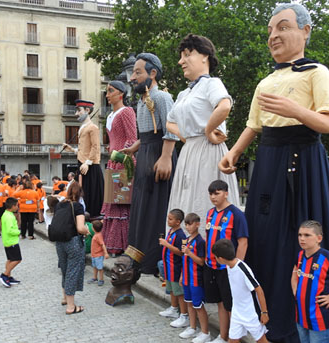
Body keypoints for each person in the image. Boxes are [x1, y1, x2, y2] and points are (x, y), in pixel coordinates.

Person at [218, 3, 329, 343]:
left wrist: (296, 109)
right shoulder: (266, 80)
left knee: (297, 230)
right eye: (269, 31)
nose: (273, 36)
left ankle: (300, 317)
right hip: (267, 161)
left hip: (303, 161)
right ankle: (262, 314)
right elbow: (254, 125)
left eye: (282, 27)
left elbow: (327, 122)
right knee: (265, 232)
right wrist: (234, 152)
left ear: (306, 31)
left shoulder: (317, 72)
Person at [166, 34, 240, 236]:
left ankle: (207, 251)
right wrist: (187, 138)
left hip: (208, 151)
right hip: (190, 151)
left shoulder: (211, 83)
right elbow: (169, 122)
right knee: (185, 198)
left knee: (202, 198)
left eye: (187, 55)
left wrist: (207, 131)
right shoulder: (184, 94)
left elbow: (224, 105)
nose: (181, 61)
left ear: (205, 56)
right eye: (181, 56)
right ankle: (183, 252)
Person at [122, 53, 179, 274]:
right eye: (133, 72)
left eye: (138, 72)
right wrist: (135, 147)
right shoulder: (142, 100)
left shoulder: (163, 98)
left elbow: (171, 130)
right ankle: (139, 257)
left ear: (152, 73)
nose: (133, 77)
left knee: (156, 206)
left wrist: (165, 157)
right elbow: (146, 133)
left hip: (158, 155)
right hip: (145, 153)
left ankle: (155, 260)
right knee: (142, 205)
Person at [203, 180, 248, 343]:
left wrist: (237, 267)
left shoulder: (236, 214)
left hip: (228, 269)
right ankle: (223, 337)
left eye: (217, 193)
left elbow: (243, 242)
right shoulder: (210, 213)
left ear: (226, 193)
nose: (213, 197)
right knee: (221, 304)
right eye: (211, 193)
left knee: (232, 307)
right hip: (211, 266)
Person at [212, 239, 274, 343]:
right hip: (236, 312)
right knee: (232, 340)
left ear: (220, 258)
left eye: (215, 257)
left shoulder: (242, 269)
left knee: (262, 341)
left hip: (249, 314)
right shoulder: (228, 267)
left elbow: (259, 289)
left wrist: (264, 312)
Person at [101, 80, 138, 255]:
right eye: (107, 91)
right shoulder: (110, 115)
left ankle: (124, 245)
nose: (107, 94)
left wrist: (124, 159)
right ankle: (114, 244)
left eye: (111, 91)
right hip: (113, 162)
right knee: (113, 203)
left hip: (124, 161)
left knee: (122, 204)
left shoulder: (127, 112)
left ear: (121, 94)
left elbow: (132, 138)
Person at [63, 99, 104, 218]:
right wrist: (72, 150)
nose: (76, 114)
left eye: (79, 110)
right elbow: (85, 150)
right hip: (83, 164)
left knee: (91, 193)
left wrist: (88, 163)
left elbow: (96, 147)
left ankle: (92, 215)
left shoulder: (93, 128)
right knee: (83, 192)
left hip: (90, 166)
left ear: (87, 110)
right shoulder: (83, 127)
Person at [54, 182, 90, 314]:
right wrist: (87, 231)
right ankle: (71, 306)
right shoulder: (78, 206)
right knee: (72, 271)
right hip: (73, 242)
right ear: (80, 193)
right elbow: (80, 228)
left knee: (64, 269)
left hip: (60, 242)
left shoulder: (60, 204)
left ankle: (65, 297)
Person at [178, 212, 210, 343]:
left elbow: (202, 262)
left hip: (196, 279)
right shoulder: (187, 239)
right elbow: (184, 260)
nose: (187, 227)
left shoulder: (200, 242)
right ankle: (192, 327)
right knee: (189, 303)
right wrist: (181, 276)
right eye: (186, 224)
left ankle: (205, 332)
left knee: (198, 306)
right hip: (186, 278)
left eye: (190, 224)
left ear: (197, 224)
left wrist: (190, 253)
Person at [159, 209, 188, 327]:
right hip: (168, 266)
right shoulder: (171, 230)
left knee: (179, 292)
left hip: (175, 267)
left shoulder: (181, 235)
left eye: (170, 219)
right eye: (168, 218)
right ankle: (174, 308)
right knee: (171, 289)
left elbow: (181, 252)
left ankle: (184, 315)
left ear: (178, 222)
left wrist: (167, 244)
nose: (168, 221)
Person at [0, 197, 22, 288]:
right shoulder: (8, 216)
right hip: (11, 241)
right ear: (13, 206)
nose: (18, 207)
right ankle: (4, 275)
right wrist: (18, 232)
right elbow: (9, 230)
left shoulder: (7, 214)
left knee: (10, 259)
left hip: (7, 240)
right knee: (17, 259)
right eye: (17, 205)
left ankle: (8, 276)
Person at [87, 220, 109, 286]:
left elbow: (102, 244)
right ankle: (95, 278)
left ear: (93, 228)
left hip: (98, 255)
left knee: (100, 268)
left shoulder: (98, 236)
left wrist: (106, 253)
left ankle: (101, 279)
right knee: (95, 266)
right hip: (94, 255)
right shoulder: (96, 234)